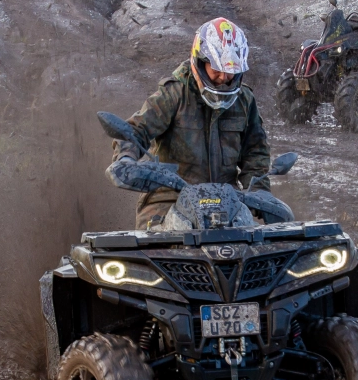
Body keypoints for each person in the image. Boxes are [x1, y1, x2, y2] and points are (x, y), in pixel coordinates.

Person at [114, 18, 271, 228]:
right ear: (200, 61)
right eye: (216, 70)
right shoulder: (175, 93)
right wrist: (126, 158)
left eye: (230, 71)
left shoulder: (244, 100)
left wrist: (258, 190)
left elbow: (255, 151)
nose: (224, 77)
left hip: (227, 201)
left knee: (260, 250)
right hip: (170, 197)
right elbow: (136, 130)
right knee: (152, 251)